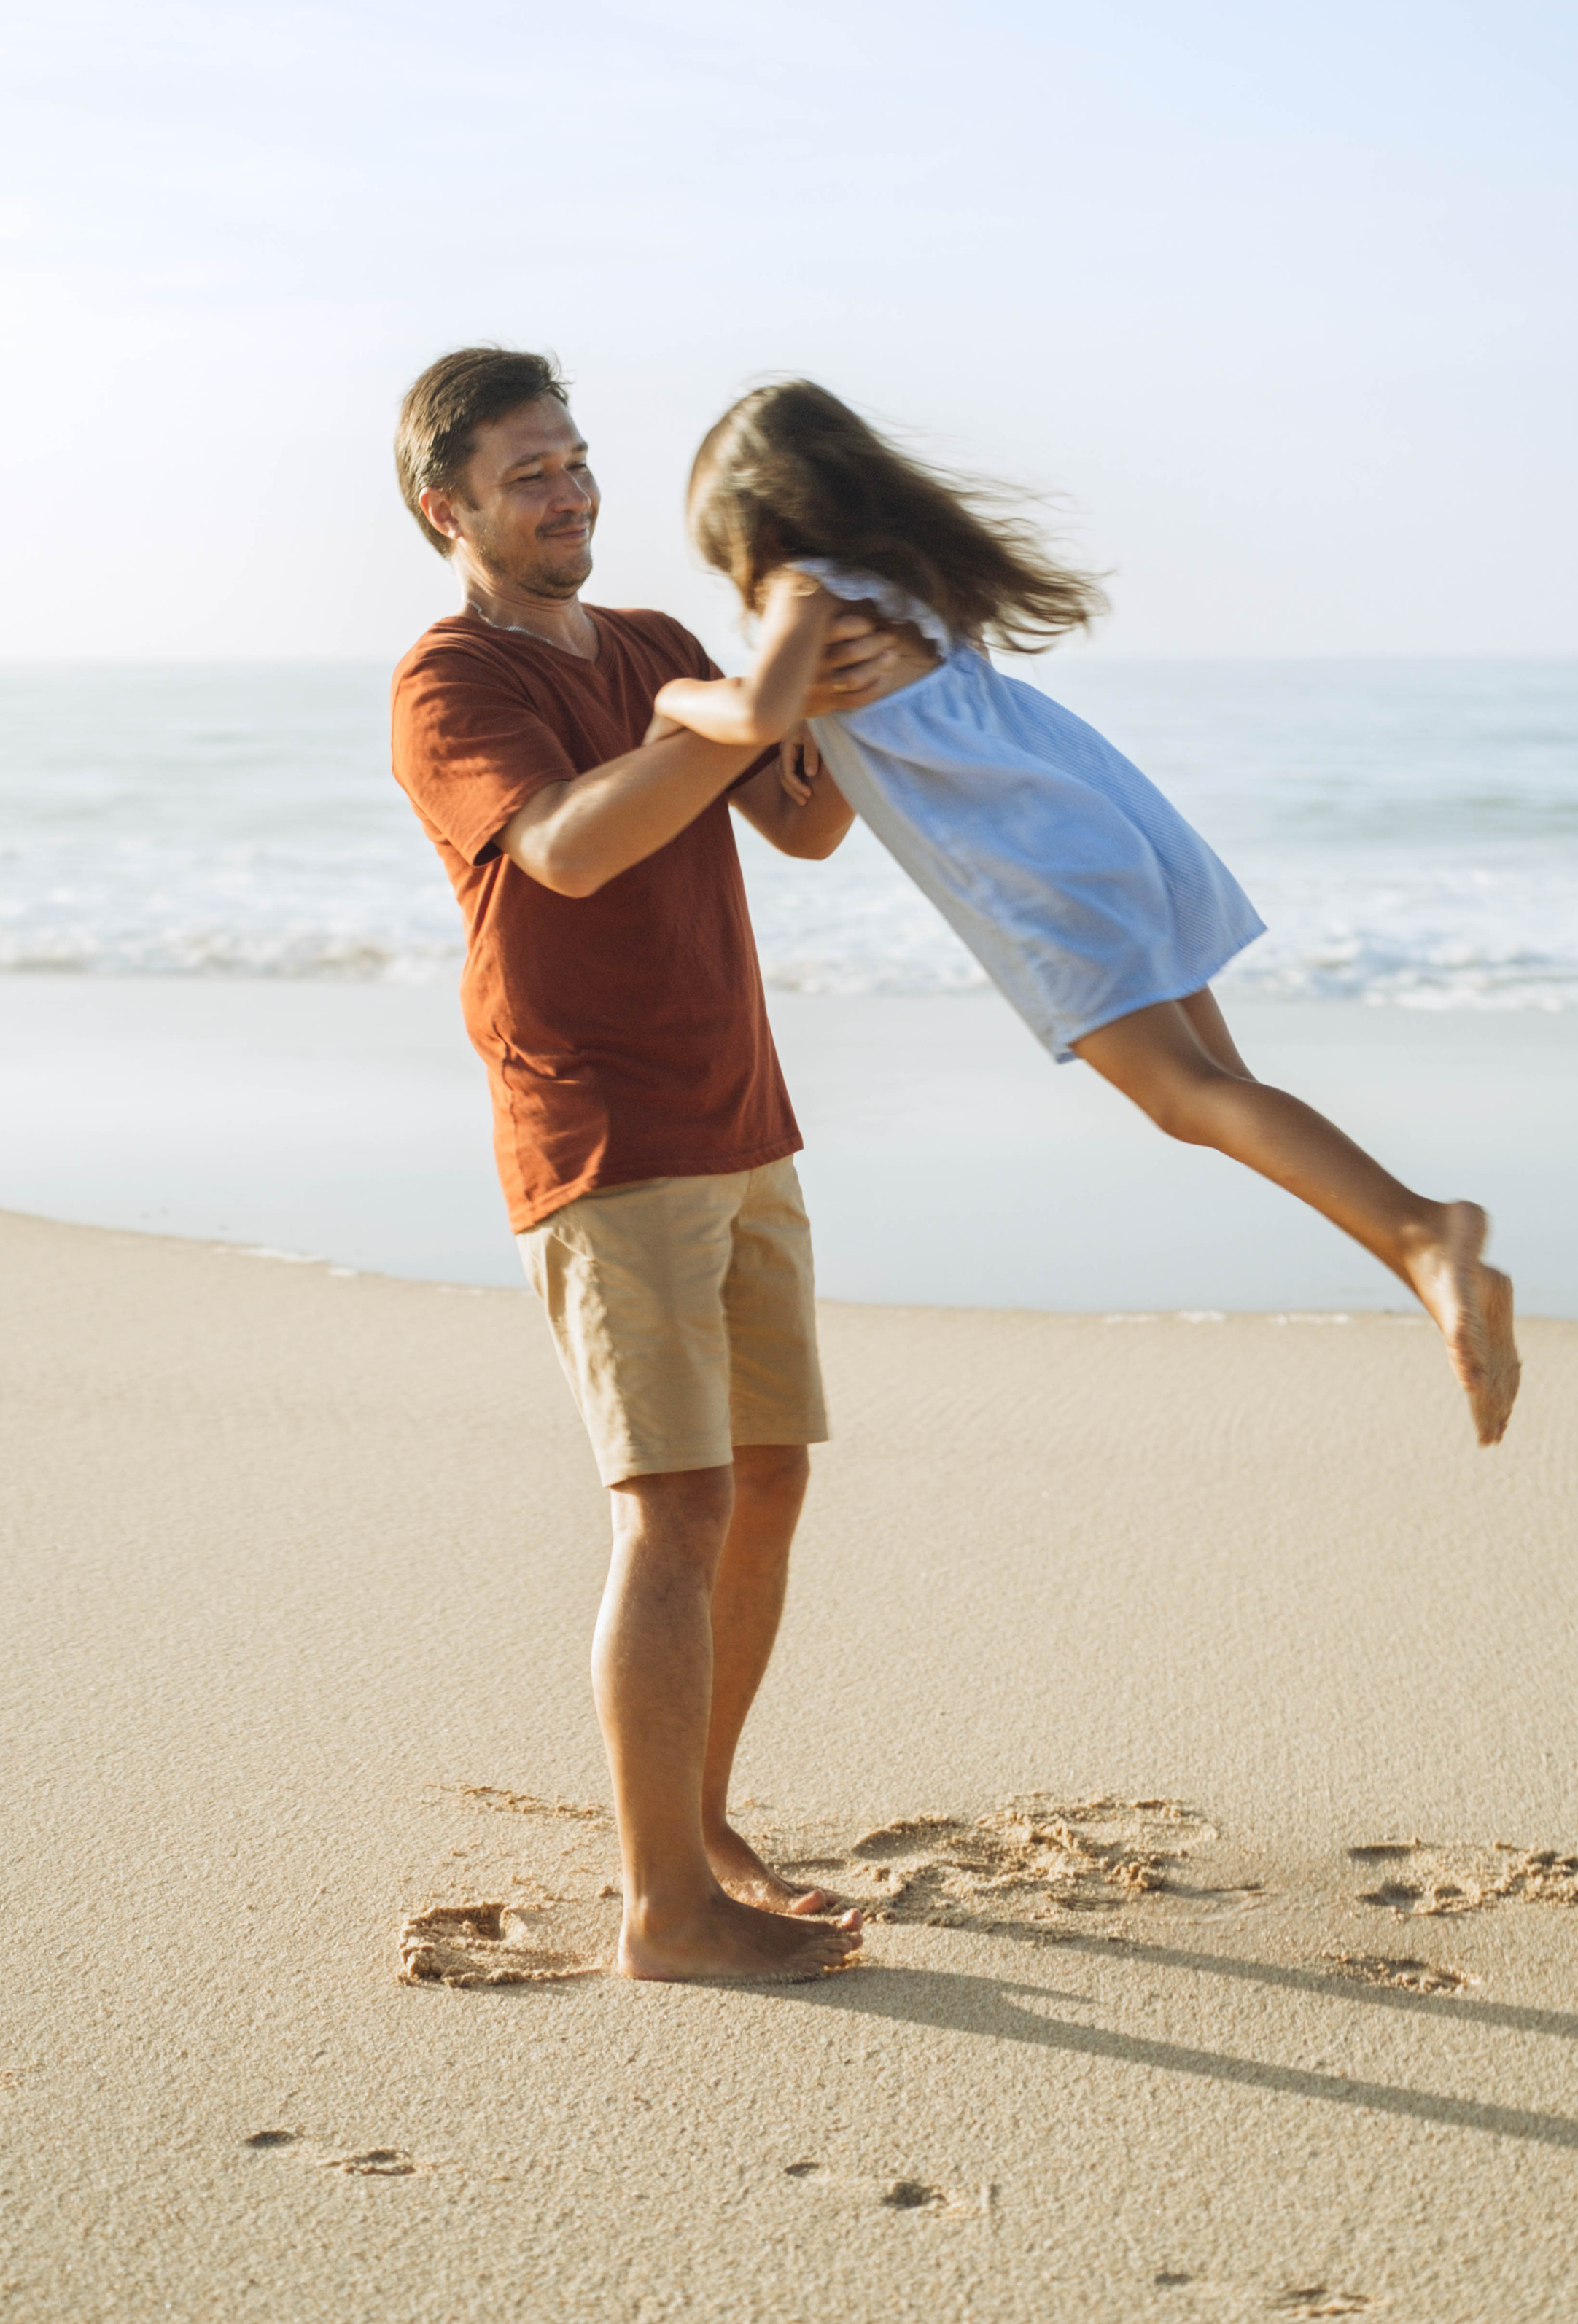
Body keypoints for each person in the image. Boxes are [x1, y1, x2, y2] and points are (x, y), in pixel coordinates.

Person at [657, 378, 1520, 1447]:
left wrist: (673, 697)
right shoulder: (903, 595)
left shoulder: (805, 590)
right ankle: (1426, 1253)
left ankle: (1430, 1235)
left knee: (1184, 1099)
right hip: (1103, 827)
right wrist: (809, 730)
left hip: (1046, 873)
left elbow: (755, 709)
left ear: (760, 517)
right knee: (1224, 1091)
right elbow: (820, 810)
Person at [389, 346, 910, 1981]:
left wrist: (815, 693)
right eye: (530, 475)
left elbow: (804, 826)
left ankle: (699, 1828)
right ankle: (661, 1910)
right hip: (600, 1134)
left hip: (738, 1112)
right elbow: (565, 842)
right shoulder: (448, 681)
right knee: (669, 1506)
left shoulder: (661, 647)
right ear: (446, 506)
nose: (573, 494)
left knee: (767, 1480)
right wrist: (736, 710)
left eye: (577, 461)